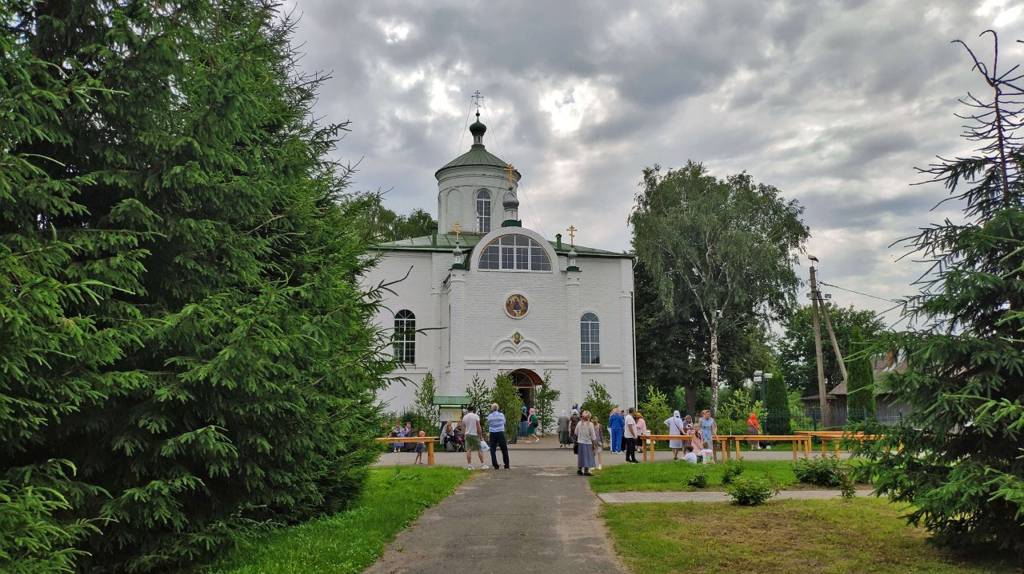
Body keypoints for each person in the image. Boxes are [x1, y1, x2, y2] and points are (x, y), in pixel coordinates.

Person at [462, 406, 487, 470]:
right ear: (473, 410)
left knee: (468, 450)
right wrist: (481, 436)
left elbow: (463, 427)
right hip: (475, 434)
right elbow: (478, 427)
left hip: (467, 435)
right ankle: (482, 464)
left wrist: (464, 435)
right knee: (479, 449)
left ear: (468, 410)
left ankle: (469, 465)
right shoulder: (475, 416)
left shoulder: (465, 417)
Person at [487, 403, 510, 469]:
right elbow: (504, 422)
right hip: (500, 432)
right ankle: (506, 464)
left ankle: (495, 465)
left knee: (493, 449)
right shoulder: (501, 415)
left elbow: (488, 423)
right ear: (498, 408)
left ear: (492, 409)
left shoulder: (490, 416)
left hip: (492, 433)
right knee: (504, 449)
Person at [575, 411, 598, 475]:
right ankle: (586, 470)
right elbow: (593, 436)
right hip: (588, 443)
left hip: (580, 442)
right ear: (589, 417)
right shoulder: (590, 424)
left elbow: (575, 432)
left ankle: (579, 469)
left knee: (581, 456)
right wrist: (595, 444)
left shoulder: (579, 423)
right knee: (587, 456)